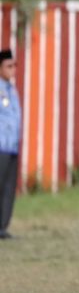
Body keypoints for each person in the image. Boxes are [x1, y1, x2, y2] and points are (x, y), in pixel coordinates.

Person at [0, 49, 20, 241]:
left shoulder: (11, 89)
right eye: (8, 66)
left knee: (8, 188)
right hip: (0, 146)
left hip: (12, 145)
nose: (13, 70)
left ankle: (3, 227)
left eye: (14, 66)